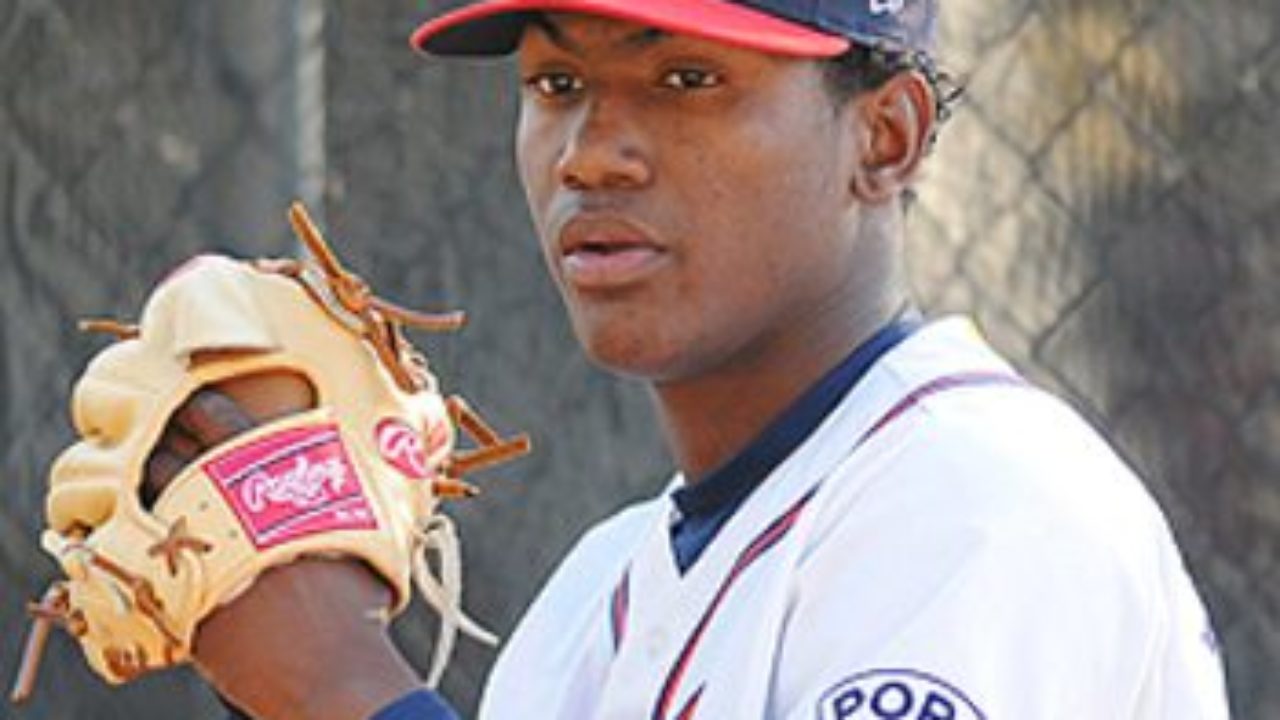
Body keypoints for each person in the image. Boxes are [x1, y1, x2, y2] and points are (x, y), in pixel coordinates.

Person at [150, 1, 1231, 718]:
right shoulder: (589, 603)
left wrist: (340, 682)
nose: (590, 153)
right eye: (555, 85)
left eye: (683, 78)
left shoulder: (986, 507)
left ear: (883, 139)